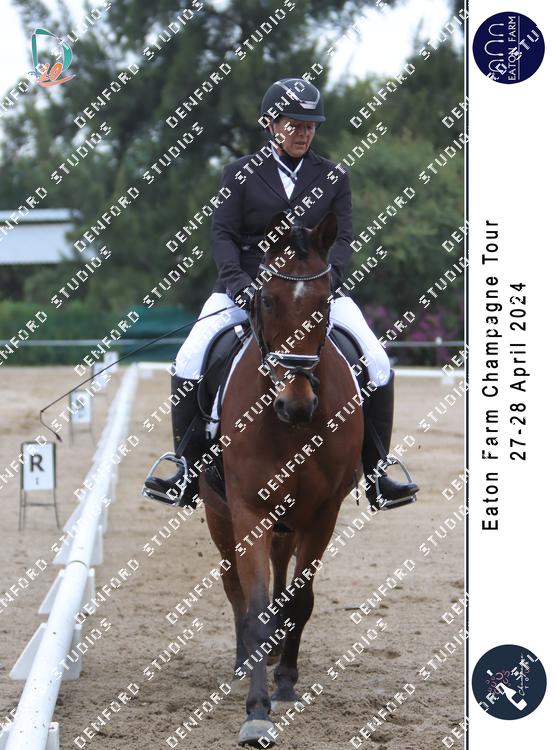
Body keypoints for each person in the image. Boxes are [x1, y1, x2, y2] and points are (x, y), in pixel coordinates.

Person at [144, 77, 419, 510]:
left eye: (310, 126)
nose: (303, 133)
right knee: (190, 358)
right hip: (246, 288)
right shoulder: (239, 173)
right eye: (294, 125)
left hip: (315, 291)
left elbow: (343, 238)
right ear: (271, 125)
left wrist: (328, 281)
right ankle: (185, 467)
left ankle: (378, 471)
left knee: (378, 361)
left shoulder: (333, 176)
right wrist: (239, 284)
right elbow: (223, 235)